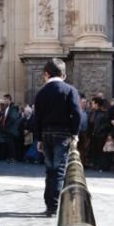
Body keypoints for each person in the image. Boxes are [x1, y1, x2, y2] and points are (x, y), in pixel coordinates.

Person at [34, 58, 81, 216]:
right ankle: (55, 207)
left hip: (46, 134)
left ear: (46, 74)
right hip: (63, 134)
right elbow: (76, 113)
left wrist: (38, 139)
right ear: (64, 75)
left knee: (50, 171)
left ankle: (49, 205)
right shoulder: (70, 90)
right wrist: (75, 133)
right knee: (60, 170)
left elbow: (37, 118)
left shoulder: (41, 92)